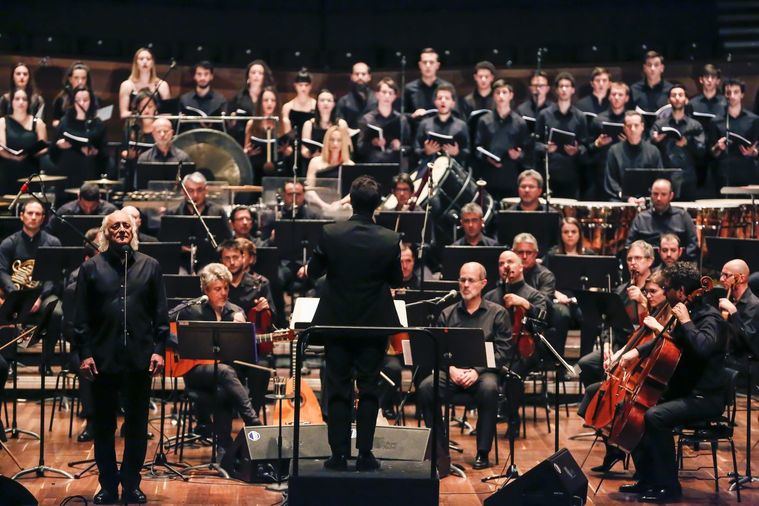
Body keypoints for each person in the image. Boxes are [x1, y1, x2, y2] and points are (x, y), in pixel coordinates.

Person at [298, 175, 403, 472]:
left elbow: (314, 273)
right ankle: (366, 454)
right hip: (373, 325)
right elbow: (396, 279)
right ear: (377, 204)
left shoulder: (331, 233)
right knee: (369, 389)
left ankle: (338, 455)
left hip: (337, 324)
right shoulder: (389, 238)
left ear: (350, 202)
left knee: (338, 389)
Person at [74, 210, 169, 504]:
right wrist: (86, 354)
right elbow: (81, 318)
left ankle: (131, 484)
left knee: (138, 426)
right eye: (115, 226)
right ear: (105, 233)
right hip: (102, 360)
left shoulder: (150, 266)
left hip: (139, 358)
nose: (121, 230)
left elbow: (160, 315)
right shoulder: (91, 269)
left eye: (126, 225)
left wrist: (158, 349)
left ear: (134, 230)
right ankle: (107, 485)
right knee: (104, 426)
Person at [618, 262, 726, 502]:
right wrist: (636, 352)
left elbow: (703, 349)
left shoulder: (710, 319)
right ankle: (647, 479)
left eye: (667, 288)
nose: (664, 292)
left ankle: (669, 486)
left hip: (705, 396)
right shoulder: (685, 311)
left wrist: (686, 322)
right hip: (684, 390)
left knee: (655, 417)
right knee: (635, 408)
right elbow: (669, 342)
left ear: (680, 290)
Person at [417, 262, 511, 472]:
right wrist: (451, 369)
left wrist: (476, 371)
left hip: (483, 373)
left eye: (471, 280)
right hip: (452, 372)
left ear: (483, 283)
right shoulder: (447, 313)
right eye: (462, 280)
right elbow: (437, 350)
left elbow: (503, 353)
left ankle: (483, 451)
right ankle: (439, 450)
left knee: (489, 389)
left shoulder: (498, 313)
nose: (466, 285)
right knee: (425, 388)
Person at [577, 268, 668, 474]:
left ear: (666, 291)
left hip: (657, 378)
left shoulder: (668, 314)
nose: (648, 296)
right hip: (638, 370)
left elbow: (663, 344)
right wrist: (617, 356)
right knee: (595, 392)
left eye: (653, 291)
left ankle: (630, 455)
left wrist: (652, 320)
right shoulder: (654, 310)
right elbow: (635, 339)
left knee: (619, 405)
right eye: (647, 292)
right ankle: (614, 445)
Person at [175, 263, 261, 458]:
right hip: (196, 371)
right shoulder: (192, 311)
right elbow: (173, 335)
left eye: (226, 288)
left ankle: (224, 448)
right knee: (224, 372)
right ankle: (254, 422)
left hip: (225, 375)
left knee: (225, 386)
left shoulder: (236, 311)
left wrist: (242, 332)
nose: (223, 293)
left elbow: (245, 353)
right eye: (217, 289)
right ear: (206, 291)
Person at [0, 201, 63, 374]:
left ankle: (46, 363)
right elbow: (2, 271)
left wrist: (40, 297)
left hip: (43, 295)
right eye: (30, 213)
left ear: (43, 218)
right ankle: (8, 362)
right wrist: (17, 294)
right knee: (5, 311)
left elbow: (54, 276)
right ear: (22, 216)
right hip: (16, 294)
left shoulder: (53, 242)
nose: (33, 217)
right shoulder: (8, 243)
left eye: (38, 214)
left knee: (57, 312)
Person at [484, 250, 550, 383]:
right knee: (485, 368)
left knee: (511, 373)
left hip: (524, 351)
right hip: (497, 350)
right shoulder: (489, 297)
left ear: (521, 267)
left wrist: (525, 304)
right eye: (501, 264)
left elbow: (541, 324)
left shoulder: (535, 296)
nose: (506, 266)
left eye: (510, 262)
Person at [512, 233, 571, 358]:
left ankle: (556, 362)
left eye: (529, 252)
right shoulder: (507, 271)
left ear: (536, 253)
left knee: (562, 313)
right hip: (510, 315)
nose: (524, 256)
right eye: (520, 252)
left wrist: (522, 301)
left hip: (538, 316)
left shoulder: (545, 275)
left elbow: (543, 303)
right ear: (513, 252)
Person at [535, 72, 588, 198]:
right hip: (549, 174)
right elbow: (535, 144)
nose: (564, 89)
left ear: (573, 90)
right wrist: (545, 148)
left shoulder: (580, 117)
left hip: (571, 175)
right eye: (561, 86)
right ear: (556, 90)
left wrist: (576, 150)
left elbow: (585, 146)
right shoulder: (544, 115)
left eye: (567, 86)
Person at [473, 79, 529, 200]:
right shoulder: (484, 120)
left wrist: (518, 155)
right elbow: (478, 148)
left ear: (511, 95)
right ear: (493, 96)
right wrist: (487, 157)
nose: (501, 96)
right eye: (497, 93)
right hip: (489, 176)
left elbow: (527, 151)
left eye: (504, 92)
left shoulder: (520, 122)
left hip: (510, 176)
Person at [650, 84, 706, 200]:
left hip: (688, 177)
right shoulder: (659, 124)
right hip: (665, 176)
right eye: (673, 95)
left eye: (680, 95)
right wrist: (655, 140)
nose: (677, 98)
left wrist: (688, 144)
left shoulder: (695, 125)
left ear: (686, 99)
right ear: (669, 100)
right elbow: (648, 147)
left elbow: (702, 151)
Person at [626, 178, 699, 261]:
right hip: (648, 268)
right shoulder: (641, 218)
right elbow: (630, 246)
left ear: (671, 195)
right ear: (651, 195)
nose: (659, 198)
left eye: (663, 194)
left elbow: (693, 246)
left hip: (677, 267)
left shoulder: (683, 216)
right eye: (655, 194)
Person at [52, 86, 108, 190]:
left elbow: (104, 152)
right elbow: (52, 151)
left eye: (85, 100)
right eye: (78, 100)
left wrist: (96, 151)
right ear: (73, 102)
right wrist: (59, 144)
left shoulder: (97, 123)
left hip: (89, 170)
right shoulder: (65, 122)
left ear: (91, 101)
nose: (82, 103)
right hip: (68, 169)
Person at [708, 77, 759, 189]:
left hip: (747, 173)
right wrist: (718, 147)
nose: (732, 96)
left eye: (736, 92)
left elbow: (756, 148)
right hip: (724, 174)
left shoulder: (754, 119)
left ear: (742, 94)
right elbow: (711, 152)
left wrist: (754, 152)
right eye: (728, 93)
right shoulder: (716, 121)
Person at [604, 111, 663, 202]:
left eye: (636, 125)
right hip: (620, 200)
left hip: (647, 201)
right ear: (624, 128)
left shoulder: (653, 151)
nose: (632, 129)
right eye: (629, 126)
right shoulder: (614, 151)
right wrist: (627, 198)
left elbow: (659, 179)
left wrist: (646, 199)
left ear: (642, 127)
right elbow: (611, 180)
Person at [586, 81, 630, 200]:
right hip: (602, 172)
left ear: (626, 98)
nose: (616, 98)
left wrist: (629, 142)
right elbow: (587, 148)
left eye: (620, 95)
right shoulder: (598, 120)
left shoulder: (631, 121)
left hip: (625, 170)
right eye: (614, 94)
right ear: (609, 96)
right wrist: (597, 144)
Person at [719, 259, 759, 386]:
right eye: (721, 274)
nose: (721, 279)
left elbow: (747, 342)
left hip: (743, 364)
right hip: (729, 358)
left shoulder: (755, 305)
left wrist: (734, 312)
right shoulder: (729, 300)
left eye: (726, 275)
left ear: (740, 278)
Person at [0, 87, 48, 192]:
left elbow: (44, 146)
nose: (21, 102)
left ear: (29, 102)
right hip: (9, 170)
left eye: (24, 99)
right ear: (11, 102)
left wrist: (31, 153)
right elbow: (1, 147)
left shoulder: (38, 123)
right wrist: (14, 157)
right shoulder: (3, 122)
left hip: (31, 169)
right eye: (17, 99)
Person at [243, 86, 293, 184]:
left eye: (273, 100)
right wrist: (247, 152)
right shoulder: (252, 123)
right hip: (257, 170)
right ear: (260, 103)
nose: (269, 103)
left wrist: (288, 151)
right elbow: (245, 149)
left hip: (279, 170)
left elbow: (290, 150)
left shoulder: (284, 123)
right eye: (266, 100)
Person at [357, 77, 409, 164]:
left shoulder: (401, 120)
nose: (387, 96)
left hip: (395, 164)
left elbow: (410, 148)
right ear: (377, 94)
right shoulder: (367, 119)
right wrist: (373, 143)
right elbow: (360, 148)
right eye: (384, 92)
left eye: (390, 93)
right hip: (373, 164)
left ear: (395, 96)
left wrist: (399, 147)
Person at [414, 83, 469, 165]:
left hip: (452, 169)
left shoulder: (461, 125)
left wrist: (457, 152)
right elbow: (416, 149)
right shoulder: (424, 124)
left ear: (453, 103)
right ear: (435, 102)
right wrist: (425, 151)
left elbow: (467, 151)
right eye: (439, 98)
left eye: (447, 98)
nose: (443, 101)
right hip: (429, 168)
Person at [305, 125, 354, 212]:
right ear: (327, 141)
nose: (335, 143)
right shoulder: (315, 162)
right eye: (332, 140)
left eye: (339, 140)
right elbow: (309, 189)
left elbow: (352, 193)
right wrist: (324, 206)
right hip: (319, 205)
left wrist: (339, 203)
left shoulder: (349, 164)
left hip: (341, 206)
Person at [229, 59, 276, 145]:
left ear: (264, 77)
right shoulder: (239, 98)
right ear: (248, 77)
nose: (256, 76)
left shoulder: (270, 96)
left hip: (263, 138)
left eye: (260, 73)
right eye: (253, 73)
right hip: (241, 139)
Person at [405, 48, 456, 121]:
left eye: (431, 62)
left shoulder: (447, 88)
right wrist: (413, 115)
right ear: (420, 65)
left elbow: (455, 113)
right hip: (418, 129)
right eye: (425, 62)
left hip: (442, 130)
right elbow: (403, 115)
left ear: (437, 65)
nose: (428, 65)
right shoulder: (409, 88)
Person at [118, 47, 171, 119]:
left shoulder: (162, 85)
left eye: (148, 59)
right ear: (136, 62)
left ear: (152, 63)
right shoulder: (127, 85)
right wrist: (141, 115)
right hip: (134, 125)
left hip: (156, 126)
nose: (145, 61)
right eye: (141, 59)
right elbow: (123, 114)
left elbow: (167, 114)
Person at [48, 183, 118, 235]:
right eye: (84, 206)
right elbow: (49, 230)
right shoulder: (66, 211)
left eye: (93, 207)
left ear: (99, 197)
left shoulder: (110, 211)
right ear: (78, 197)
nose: (88, 210)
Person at [516, 70, 553, 170]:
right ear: (530, 88)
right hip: (527, 160)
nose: (538, 89)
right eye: (535, 85)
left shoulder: (553, 109)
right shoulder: (521, 109)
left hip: (548, 161)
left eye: (541, 86)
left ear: (547, 88)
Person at [179, 61, 227, 131]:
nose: (202, 78)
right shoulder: (185, 99)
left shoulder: (220, 100)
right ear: (194, 76)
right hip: (190, 138)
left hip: (213, 138)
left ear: (211, 76)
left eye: (206, 74)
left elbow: (224, 126)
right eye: (199, 74)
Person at [301, 89, 349, 160]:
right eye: (322, 100)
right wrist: (311, 154)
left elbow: (346, 148)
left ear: (334, 104)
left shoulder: (341, 124)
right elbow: (304, 150)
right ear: (317, 103)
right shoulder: (309, 124)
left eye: (329, 100)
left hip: (335, 161)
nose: (325, 103)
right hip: (315, 161)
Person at [52, 61, 97, 128]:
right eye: (76, 78)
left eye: (83, 78)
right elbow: (55, 122)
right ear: (70, 79)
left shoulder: (92, 98)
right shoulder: (61, 99)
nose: (80, 82)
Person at [336, 61, 376, 129]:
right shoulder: (343, 101)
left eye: (363, 74)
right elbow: (339, 125)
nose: (360, 77)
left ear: (369, 77)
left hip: (372, 138)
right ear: (351, 76)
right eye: (357, 74)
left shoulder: (377, 100)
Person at [281, 69, 316, 135]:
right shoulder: (287, 107)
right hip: (293, 143)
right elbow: (286, 132)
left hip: (312, 142)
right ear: (295, 85)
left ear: (310, 86)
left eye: (306, 85)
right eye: (300, 85)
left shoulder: (316, 105)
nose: (303, 88)